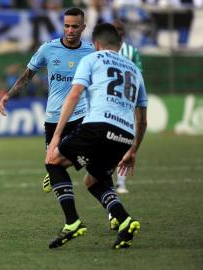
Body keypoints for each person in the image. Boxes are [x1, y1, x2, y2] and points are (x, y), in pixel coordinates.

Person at [45, 23, 148, 249]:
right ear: (120, 45)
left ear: (97, 44)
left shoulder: (92, 59)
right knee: (93, 180)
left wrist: (56, 136)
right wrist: (133, 151)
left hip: (99, 126)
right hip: (124, 134)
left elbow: (74, 94)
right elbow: (142, 120)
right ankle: (124, 220)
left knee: (53, 161)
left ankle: (72, 222)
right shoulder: (134, 70)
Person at [0, 7, 94, 192]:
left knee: (93, 163)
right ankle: (57, 171)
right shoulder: (49, 48)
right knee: (51, 162)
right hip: (54, 115)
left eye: (75, 26)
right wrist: (8, 95)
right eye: (66, 26)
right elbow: (27, 75)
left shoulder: (91, 52)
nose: (70, 30)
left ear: (83, 27)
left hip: (82, 113)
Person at [112, 19, 143, 194]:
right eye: (114, 29)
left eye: (120, 29)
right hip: (105, 102)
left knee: (123, 140)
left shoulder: (131, 51)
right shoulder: (100, 49)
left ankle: (121, 182)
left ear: (124, 32)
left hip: (125, 102)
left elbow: (138, 75)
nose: (117, 32)